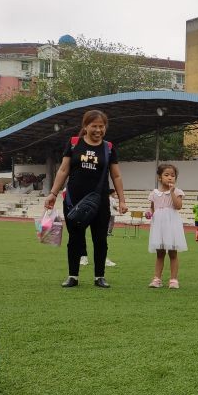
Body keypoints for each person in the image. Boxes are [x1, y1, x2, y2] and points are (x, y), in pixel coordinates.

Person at [43, 109, 127, 288]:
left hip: (100, 202)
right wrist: (53, 193)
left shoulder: (109, 148)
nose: (98, 130)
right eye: (94, 126)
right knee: (74, 239)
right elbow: (63, 170)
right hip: (73, 200)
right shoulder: (74, 144)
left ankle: (99, 277)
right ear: (85, 126)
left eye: (101, 126)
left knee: (100, 239)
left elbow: (116, 176)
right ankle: (73, 276)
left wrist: (122, 200)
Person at [148, 164, 188, 289]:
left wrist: (172, 192)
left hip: (172, 225)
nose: (170, 177)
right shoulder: (154, 193)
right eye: (166, 175)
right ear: (159, 177)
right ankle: (157, 279)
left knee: (173, 253)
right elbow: (152, 208)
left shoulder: (177, 192)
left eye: (173, 175)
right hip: (158, 225)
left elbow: (178, 206)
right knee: (159, 253)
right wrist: (149, 213)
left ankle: (173, 279)